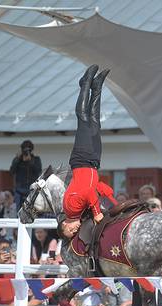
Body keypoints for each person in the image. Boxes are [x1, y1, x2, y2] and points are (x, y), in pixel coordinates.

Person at [59, 65, 117, 240]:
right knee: (94, 122)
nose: (75, 231)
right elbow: (92, 189)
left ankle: (85, 84)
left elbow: (87, 193)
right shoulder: (79, 213)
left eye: (70, 231)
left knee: (83, 118)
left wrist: (97, 212)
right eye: (74, 233)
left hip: (82, 161)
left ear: (64, 224)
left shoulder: (70, 208)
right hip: (92, 164)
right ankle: (97, 86)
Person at [10, 139, 42, 209]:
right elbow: (12, 171)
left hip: (32, 190)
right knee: (19, 211)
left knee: (32, 211)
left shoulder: (36, 159)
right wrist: (17, 159)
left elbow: (38, 171)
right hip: (19, 190)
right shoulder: (18, 160)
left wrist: (31, 162)